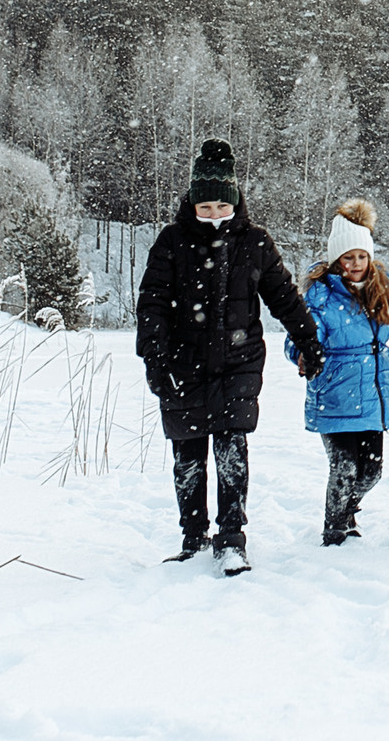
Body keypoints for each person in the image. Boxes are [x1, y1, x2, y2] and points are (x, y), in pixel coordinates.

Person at [136, 139, 322, 574]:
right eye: (207, 208)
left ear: (235, 203)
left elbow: (284, 297)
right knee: (188, 455)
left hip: (238, 363)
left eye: (223, 206)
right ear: (193, 205)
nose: (216, 215)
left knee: (231, 449)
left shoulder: (254, 242)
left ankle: (232, 538)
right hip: (183, 364)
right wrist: (155, 359)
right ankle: (193, 536)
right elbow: (153, 304)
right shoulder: (171, 242)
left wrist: (309, 341)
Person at [289, 199, 389, 546]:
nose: (355, 264)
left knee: (371, 472)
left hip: (372, 399)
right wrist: (305, 354)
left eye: (361, 256)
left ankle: (348, 509)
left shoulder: (378, 294)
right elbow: (302, 337)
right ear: (337, 261)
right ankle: (335, 529)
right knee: (344, 469)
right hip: (336, 396)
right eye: (348, 257)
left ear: (370, 258)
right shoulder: (321, 300)